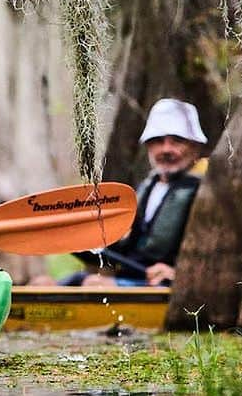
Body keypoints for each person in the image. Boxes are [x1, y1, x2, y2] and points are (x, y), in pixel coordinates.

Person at [70, 98, 208, 289]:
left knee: (95, 285)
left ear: (195, 147)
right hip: (134, 274)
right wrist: (77, 240)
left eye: (177, 141)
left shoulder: (205, 193)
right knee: (46, 283)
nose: (166, 149)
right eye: (158, 141)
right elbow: (122, 247)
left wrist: (178, 272)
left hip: (165, 284)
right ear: (149, 146)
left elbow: (215, 253)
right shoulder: (146, 188)